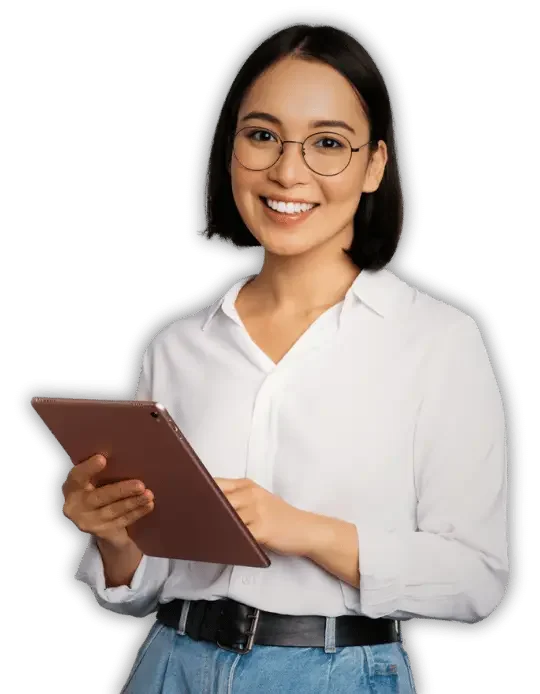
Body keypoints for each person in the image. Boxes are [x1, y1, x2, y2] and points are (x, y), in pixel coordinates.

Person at [62, 23, 509, 693]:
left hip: (340, 675)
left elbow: (476, 580)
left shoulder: (437, 341)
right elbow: (139, 587)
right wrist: (114, 536)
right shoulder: (179, 347)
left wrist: (303, 530)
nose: (287, 171)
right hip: (169, 667)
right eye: (262, 135)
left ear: (375, 165)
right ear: (231, 150)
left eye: (327, 143)